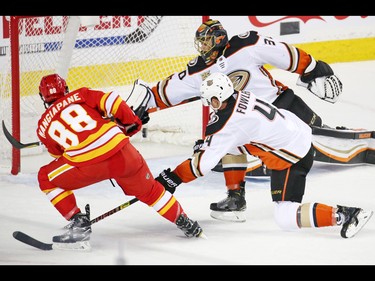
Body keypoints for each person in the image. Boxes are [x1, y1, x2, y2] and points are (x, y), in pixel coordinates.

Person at [129, 19, 343, 222]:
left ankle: (337, 138)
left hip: (283, 105)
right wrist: (140, 107)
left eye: (206, 41)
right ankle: (235, 198)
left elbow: (285, 54)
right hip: (248, 123)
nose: (202, 47)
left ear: (219, 39)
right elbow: (167, 92)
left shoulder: (245, 45)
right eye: (200, 42)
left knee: (324, 139)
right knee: (230, 141)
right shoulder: (199, 71)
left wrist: (312, 69)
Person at [155, 72, 373, 239]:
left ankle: (346, 214)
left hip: (291, 154)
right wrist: (210, 145)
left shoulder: (226, 123)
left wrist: (172, 177)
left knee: (285, 216)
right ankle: (236, 200)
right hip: (295, 132)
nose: (210, 106)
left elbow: (202, 166)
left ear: (215, 99)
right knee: (231, 147)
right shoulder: (241, 96)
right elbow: (234, 136)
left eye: (210, 101)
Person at [36, 74, 204, 250]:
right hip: (123, 153)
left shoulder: (42, 126)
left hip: (88, 165)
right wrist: (130, 121)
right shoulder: (81, 94)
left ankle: (78, 223)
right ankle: (184, 221)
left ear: (43, 98)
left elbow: (59, 156)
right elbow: (112, 101)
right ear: (66, 89)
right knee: (152, 192)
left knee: (45, 177)